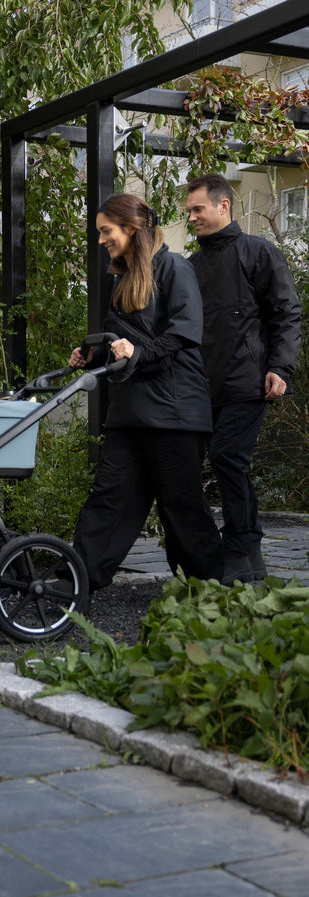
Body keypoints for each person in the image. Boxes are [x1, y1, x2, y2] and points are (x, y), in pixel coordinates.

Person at [71, 193, 223, 592]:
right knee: (110, 500)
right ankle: (75, 584)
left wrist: (138, 352)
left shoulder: (173, 268)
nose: (101, 239)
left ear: (131, 228)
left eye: (106, 231)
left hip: (174, 413)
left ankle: (206, 592)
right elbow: (122, 340)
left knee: (181, 508)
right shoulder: (122, 279)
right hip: (129, 412)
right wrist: (94, 353)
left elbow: (184, 332)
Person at [186, 174, 302, 585]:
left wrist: (280, 368)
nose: (191, 217)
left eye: (198, 209)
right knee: (200, 465)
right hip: (201, 387)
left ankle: (238, 547)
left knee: (227, 457)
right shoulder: (190, 266)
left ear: (224, 206)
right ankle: (247, 557)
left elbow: (286, 314)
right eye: (189, 211)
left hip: (249, 382)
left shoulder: (259, 252)